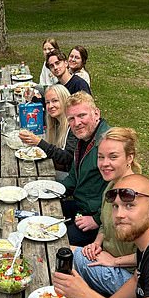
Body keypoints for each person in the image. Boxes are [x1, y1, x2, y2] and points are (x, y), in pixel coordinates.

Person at [73, 128, 149, 296]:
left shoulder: (143, 196)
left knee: (62, 256)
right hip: (105, 257)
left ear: (130, 158)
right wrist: (96, 243)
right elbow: (104, 224)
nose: (104, 163)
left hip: (131, 277)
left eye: (113, 157)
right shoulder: (111, 187)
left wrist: (115, 261)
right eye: (101, 157)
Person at [59, 92, 110, 246]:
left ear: (96, 113)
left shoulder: (108, 143)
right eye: (71, 119)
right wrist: (55, 192)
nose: (77, 123)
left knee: (59, 241)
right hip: (82, 205)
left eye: (82, 115)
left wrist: (96, 219)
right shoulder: (84, 138)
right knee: (42, 214)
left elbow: (122, 189)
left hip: (98, 217)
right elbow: (74, 177)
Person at [18, 84, 77, 178]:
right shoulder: (55, 123)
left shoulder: (74, 126)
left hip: (70, 177)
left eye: (55, 101)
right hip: (57, 168)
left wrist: (39, 142)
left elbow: (67, 158)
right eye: (47, 102)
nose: (50, 106)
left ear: (65, 100)